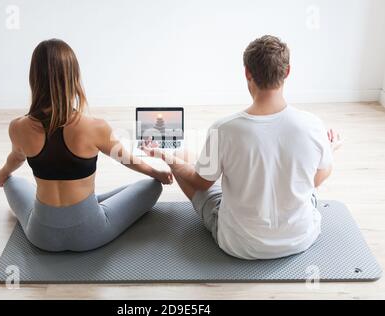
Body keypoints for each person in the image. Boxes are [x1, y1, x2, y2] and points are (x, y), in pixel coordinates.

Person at [142, 35, 342, 260]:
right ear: (287, 72)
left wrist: (164, 155)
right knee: (301, 185)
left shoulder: (224, 129)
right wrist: (329, 149)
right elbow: (316, 179)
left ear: (247, 72)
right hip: (300, 238)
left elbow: (200, 183)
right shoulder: (312, 125)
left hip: (238, 244)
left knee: (180, 157)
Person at [0, 39, 173, 252]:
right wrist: (157, 173)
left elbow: (16, 157)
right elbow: (127, 159)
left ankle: (87, 203)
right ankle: (89, 203)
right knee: (151, 186)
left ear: (34, 78)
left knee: (10, 182)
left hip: (41, 235)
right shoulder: (94, 127)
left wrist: (3, 173)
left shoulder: (18, 127)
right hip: (90, 233)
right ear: (73, 78)